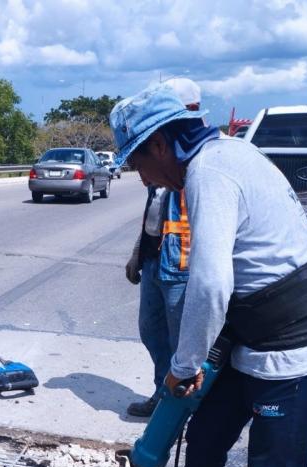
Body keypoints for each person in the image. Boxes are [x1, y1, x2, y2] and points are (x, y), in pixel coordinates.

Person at [109, 85, 307, 467]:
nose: (142, 179)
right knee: (203, 438)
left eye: (137, 164)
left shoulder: (210, 173)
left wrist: (183, 366)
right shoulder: (224, 153)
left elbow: (211, 282)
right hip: (247, 330)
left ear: (158, 145)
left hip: (286, 343)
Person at [125, 77, 202, 417]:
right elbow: (153, 213)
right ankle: (163, 395)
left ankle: (181, 408)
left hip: (181, 264)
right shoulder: (162, 154)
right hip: (156, 258)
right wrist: (137, 253)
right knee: (151, 330)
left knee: (179, 343)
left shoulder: (196, 159)